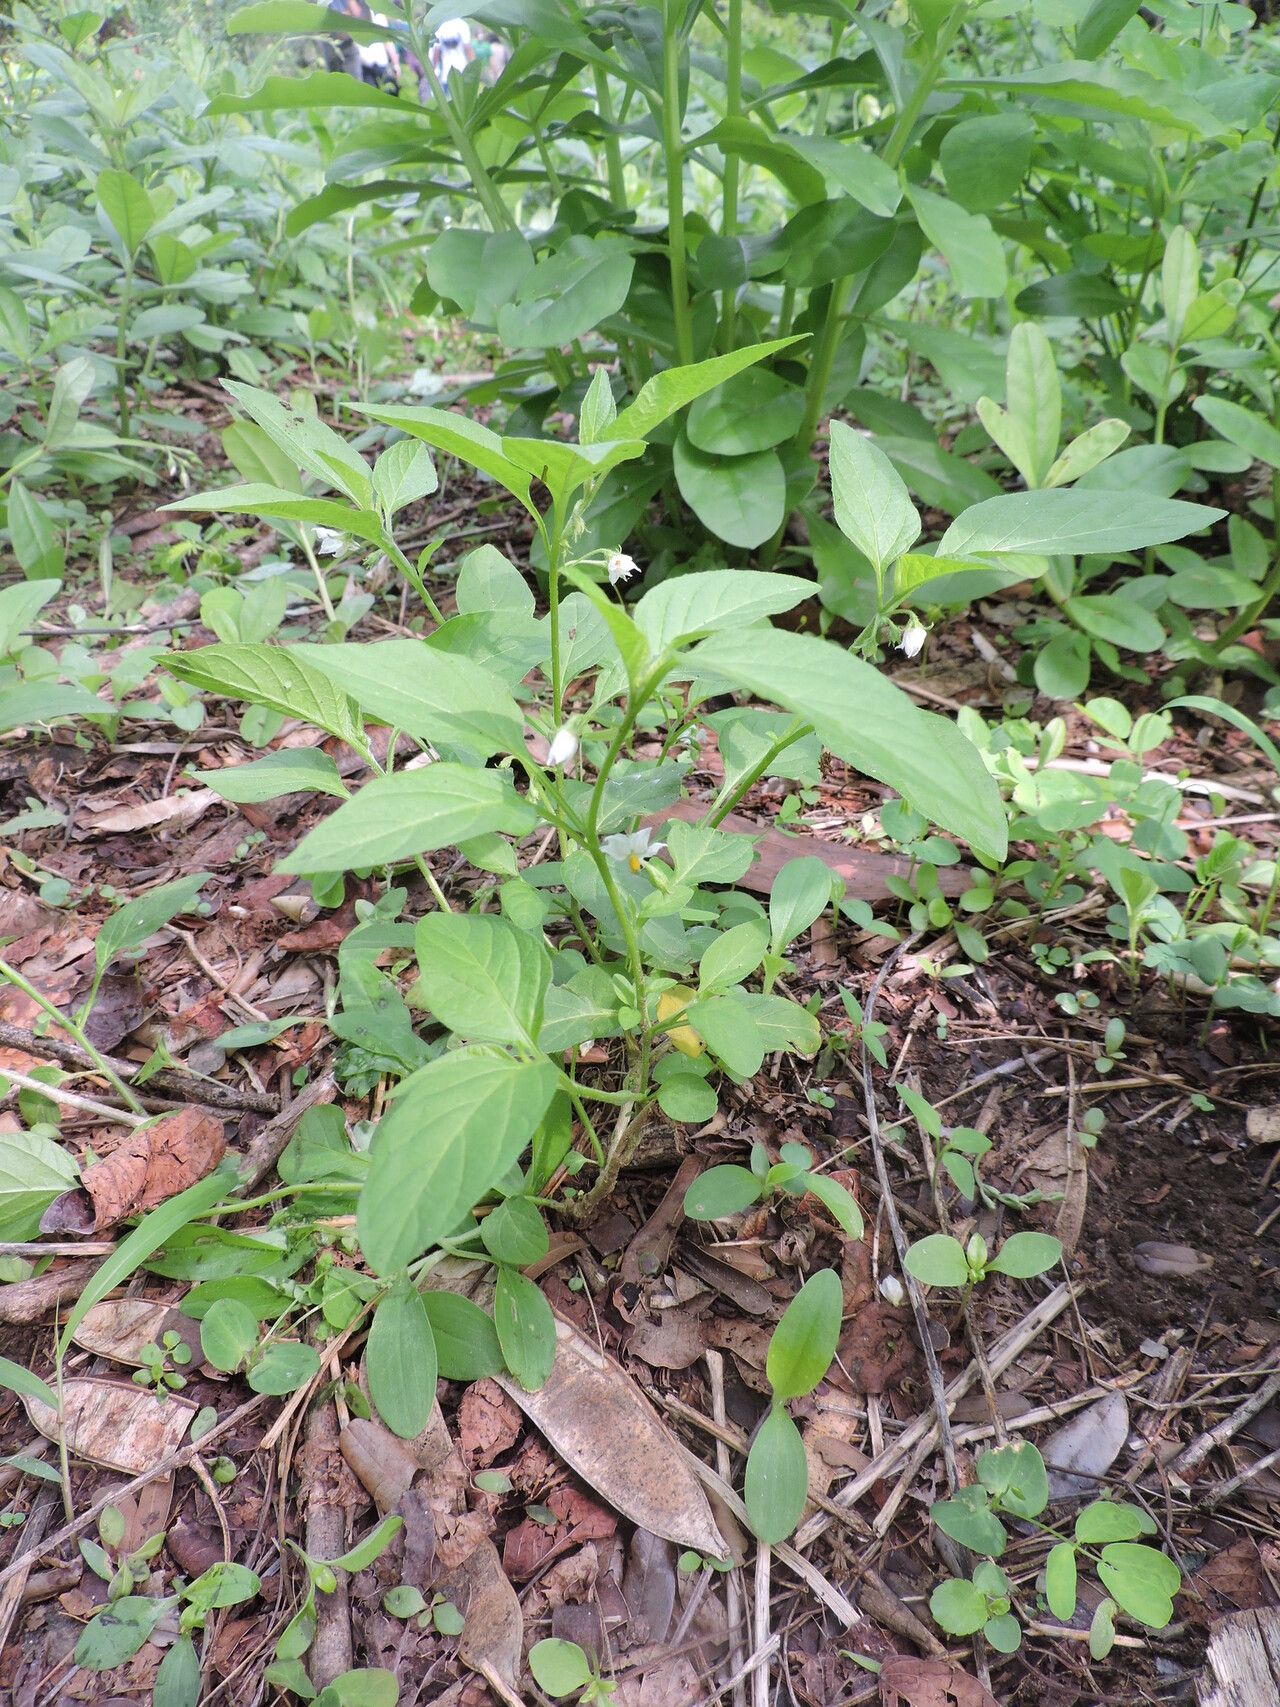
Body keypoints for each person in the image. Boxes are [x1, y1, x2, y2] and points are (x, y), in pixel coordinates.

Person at [358, 10, 402, 92]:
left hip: (379, 63)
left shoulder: (378, 16)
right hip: (365, 65)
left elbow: (387, 41)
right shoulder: (357, 14)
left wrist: (395, 64)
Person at [429, 17, 473, 88]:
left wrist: (433, 70)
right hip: (461, 70)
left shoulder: (440, 26)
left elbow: (436, 52)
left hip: (447, 72)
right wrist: (472, 69)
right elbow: (468, 50)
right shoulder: (462, 24)